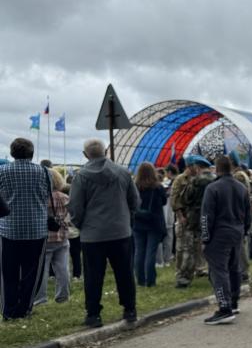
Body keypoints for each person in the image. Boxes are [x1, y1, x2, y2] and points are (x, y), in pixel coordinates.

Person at [69, 139, 140, 327]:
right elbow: (135, 201)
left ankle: (93, 314)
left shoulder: (81, 176)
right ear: (106, 152)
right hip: (121, 232)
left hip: (92, 235)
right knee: (124, 273)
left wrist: (81, 224)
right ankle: (130, 309)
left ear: (85, 155)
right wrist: (126, 218)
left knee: (93, 276)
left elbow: (75, 207)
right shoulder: (123, 173)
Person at [0, 138, 50, 320]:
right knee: (32, 272)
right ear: (32, 153)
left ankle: (8, 310)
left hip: (9, 228)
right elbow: (47, 197)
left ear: (12, 153)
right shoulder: (44, 172)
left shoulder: (2, 171)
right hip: (36, 229)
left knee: (8, 272)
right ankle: (25, 308)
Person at [201, 156, 251, 325]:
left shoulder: (212, 188)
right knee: (234, 268)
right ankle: (234, 302)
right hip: (236, 231)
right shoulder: (242, 187)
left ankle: (224, 308)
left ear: (216, 168)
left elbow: (206, 215)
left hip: (219, 234)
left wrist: (205, 238)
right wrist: (245, 230)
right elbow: (248, 212)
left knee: (218, 270)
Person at [33, 169, 71, 305]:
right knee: (63, 268)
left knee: (42, 270)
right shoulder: (65, 197)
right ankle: (63, 296)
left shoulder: (41, 197)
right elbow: (70, 217)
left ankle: (41, 299)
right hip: (63, 236)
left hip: (45, 237)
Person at [133, 162, 168, 287]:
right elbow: (164, 201)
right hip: (154, 222)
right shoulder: (157, 187)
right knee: (151, 252)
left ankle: (140, 280)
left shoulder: (135, 186)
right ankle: (150, 280)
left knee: (139, 251)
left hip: (138, 222)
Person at [170, 157, 198, 287]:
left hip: (193, 218)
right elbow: (174, 200)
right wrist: (180, 216)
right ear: (190, 166)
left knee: (190, 248)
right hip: (183, 218)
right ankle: (181, 275)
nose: (196, 169)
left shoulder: (196, 179)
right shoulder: (180, 180)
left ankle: (188, 273)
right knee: (182, 248)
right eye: (195, 166)